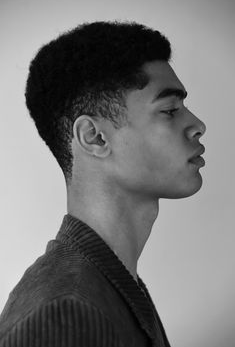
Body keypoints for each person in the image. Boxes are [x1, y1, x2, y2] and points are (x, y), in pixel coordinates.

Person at [0, 20, 206, 347]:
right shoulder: (64, 318)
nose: (197, 125)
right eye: (170, 110)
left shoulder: (114, 284)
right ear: (95, 137)